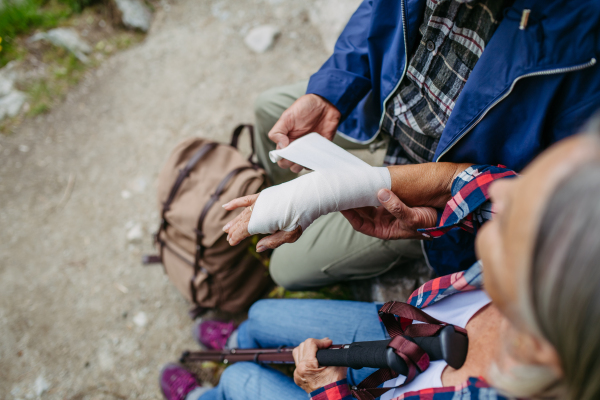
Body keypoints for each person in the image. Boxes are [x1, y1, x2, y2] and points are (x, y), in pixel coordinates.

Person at [159, 116, 600, 400]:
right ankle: (240, 344)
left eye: (527, 225)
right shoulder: (576, 255)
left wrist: (329, 390)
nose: (504, 195)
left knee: (241, 382)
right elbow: (472, 184)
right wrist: (325, 196)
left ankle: (207, 396)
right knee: (258, 317)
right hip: (410, 327)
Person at [249, 0, 600, 289]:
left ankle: (302, 210)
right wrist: (331, 90)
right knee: (268, 108)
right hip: (388, 108)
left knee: (286, 269)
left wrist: (441, 215)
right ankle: (289, 204)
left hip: (433, 184)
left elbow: (551, 204)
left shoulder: (584, 45)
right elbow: (377, 10)